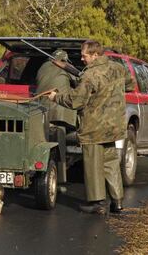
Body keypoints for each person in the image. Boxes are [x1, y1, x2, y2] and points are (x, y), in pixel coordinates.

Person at [48, 40, 135, 214]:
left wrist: (56, 97)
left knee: (93, 165)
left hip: (94, 127)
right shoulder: (117, 68)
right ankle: (117, 202)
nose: (82, 59)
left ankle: (98, 203)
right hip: (114, 125)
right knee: (110, 163)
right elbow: (130, 85)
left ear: (95, 55)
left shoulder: (89, 75)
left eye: (84, 55)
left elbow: (76, 100)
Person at [36, 49, 77, 129]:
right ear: (65, 59)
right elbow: (79, 83)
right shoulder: (66, 66)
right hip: (61, 112)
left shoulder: (42, 66)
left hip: (40, 109)